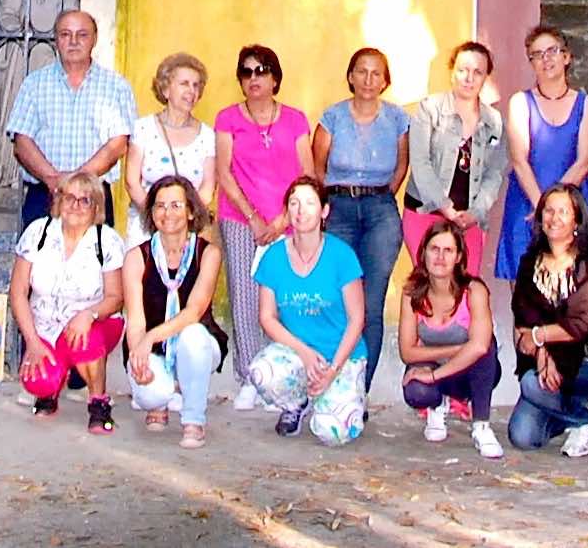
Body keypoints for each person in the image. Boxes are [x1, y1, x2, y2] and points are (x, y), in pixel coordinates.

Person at [214, 42, 314, 406]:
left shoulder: (296, 120)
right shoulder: (228, 118)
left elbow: (307, 173)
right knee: (244, 296)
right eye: (247, 71)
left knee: (284, 298)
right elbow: (224, 172)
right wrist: (254, 219)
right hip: (240, 219)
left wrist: (284, 217)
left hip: (289, 221)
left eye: (262, 71)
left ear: (275, 78)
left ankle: (280, 377)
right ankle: (250, 376)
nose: (254, 78)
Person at [313, 45, 411, 389]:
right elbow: (318, 166)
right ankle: (328, 382)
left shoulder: (397, 119)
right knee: (336, 298)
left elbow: (401, 165)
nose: (368, 79)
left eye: (376, 73)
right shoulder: (333, 117)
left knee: (370, 303)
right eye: (362, 72)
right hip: (339, 209)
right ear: (350, 77)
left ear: (385, 81)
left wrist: (380, 196)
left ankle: (359, 390)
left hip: (380, 212)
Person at [250, 178, 368, 445]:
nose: (301, 210)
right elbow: (267, 317)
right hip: (298, 352)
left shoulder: (342, 256)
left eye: (310, 203)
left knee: (331, 433)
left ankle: (339, 397)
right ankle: (297, 402)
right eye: (294, 203)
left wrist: (333, 370)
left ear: (324, 211)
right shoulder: (273, 256)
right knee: (261, 372)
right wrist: (303, 352)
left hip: (341, 356)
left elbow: (357, 319)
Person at [12, 170, 127, 431]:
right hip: (45, 326)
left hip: (94, 322)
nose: (75, 205)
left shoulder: (106, 240)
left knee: (85, 342)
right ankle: (51, 389)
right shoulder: (37, 232)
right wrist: (32, 342)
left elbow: (115, 298)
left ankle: (98, 403)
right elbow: (18, 292)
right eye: (69, 198)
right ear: (58, 201)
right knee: (38, 381)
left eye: (85, 200)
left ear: (96, 207)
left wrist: (89, 315)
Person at [507, 183, 588, 457]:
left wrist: (541, 336)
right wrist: (541, 352)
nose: (554, 218)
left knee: (531, 385)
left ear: (577, 220)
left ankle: (579, 415)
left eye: (563, 212)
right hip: (545, 367)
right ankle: (575, 414)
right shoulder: (529, 263)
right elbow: (522, 325)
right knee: (523, 437)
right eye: (548, 211)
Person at [4, 9, 134, 230]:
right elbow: (22, 141)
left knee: (94, 253)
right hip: (44, 195)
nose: (73, 41)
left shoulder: (116, 87)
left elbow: (118, 144)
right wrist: (52, 179)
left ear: (94, 39)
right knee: (38, 252)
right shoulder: (34, 84)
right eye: (65, 34)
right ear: (56, 39)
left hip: (93, 195)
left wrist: (79, 181)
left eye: (82, 35)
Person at [125, 177, 230, 445]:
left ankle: (193, 419)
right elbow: (135, 321)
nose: (167, 213)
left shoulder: (208, 253)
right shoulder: (136, 258)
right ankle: (161, 399)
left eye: (176, 205)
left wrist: (151, 336)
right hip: (151, 347)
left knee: (192, 334)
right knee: (151, 393)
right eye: (160, 206)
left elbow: (193, 312)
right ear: (151, 213)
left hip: (198, 343)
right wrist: (139, 354)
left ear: (191, 211)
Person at [496, 25, 588, 279]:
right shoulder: (520, 102)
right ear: (531, 62)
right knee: (524, 286)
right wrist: (541, 207)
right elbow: (519, 160)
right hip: (527, 205)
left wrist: (554, 207)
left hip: (571, 207)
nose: (546, 59)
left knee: (572, 285)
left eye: (552, 51)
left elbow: (585, 162)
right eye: (537, 54)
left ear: (567, 57)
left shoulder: (586, 104)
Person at [398, 216, 503, 458]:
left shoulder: (474, 291)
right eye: (434, 249)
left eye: (448, 250)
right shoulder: (412, 293)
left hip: (470, 371)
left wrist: (433, 375)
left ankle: (481, 426)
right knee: (416, 391)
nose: (440, 257)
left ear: (458, 257)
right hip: (437, 366)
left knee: (486, 349)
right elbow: (407, 352)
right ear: (423, 253)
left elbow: (480, 347)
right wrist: (457, 349)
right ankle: (437, 405)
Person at [404, 42, 503, 280]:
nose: (469, 78)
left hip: (469, 221)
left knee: (465, 285)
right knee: (426, 284)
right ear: (451, 72)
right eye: (462, 70)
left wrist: (476, 212)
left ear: (486, 77)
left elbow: (494, 173)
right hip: (425, 213)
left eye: (477, 72)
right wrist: (445, 208)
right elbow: (420, 163)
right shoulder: (429, 109)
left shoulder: (494, 121)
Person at [125, 52, 217, 242]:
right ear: (166, 89)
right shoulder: (143, 128)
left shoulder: (208, 136)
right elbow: (132, 182)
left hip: (187, 232)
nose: (191, 91)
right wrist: (158, 217)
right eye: (184, 84)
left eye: (196, 85)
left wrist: (182, 221)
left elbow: (208, 188)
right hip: (145, 228)